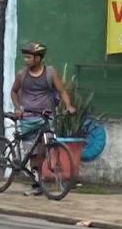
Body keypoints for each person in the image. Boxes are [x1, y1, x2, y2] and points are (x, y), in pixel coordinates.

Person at [7, 41, 73, 195]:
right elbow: (14, 91)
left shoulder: (50, 73)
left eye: (29, 57)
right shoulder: (21, 75)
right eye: (25, 57)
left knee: (44, 148)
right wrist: (18, 108)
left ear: (38, 58)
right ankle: (36, 183)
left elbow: (62, 91)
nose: (26, 60)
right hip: (28, 117)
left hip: (46, 117)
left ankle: (39, 179)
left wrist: (69, 105)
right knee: (32, 152)